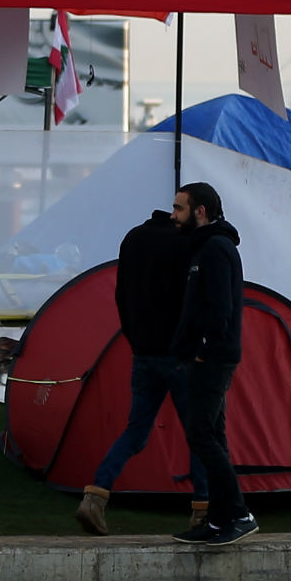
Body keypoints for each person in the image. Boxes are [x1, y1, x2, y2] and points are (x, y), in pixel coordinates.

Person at [74, 180, 255, 545]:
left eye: (179, 209)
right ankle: (207, 511)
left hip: (145, 350)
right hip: (179, 356)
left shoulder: (136, 240)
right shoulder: (189, 245)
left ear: (196, 211)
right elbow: (205, 303)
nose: (175, 216)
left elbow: (121, 294)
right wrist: (196, 347)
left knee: (141, 430)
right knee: (202, 436)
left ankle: (96, 494)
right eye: (174, 210)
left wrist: (134, 335)